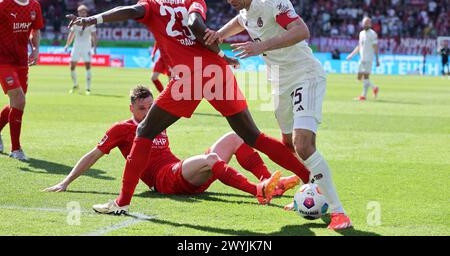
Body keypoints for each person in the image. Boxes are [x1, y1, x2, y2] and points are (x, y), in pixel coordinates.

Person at [67, 0, 311, 215]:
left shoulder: (152, 4)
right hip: (216, 72)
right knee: (252, 136)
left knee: (144, 131)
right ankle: (309, 177)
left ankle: (121, 202)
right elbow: (195, 23)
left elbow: (128, 10)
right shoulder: (193, 2)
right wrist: (220, 54)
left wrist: (93, 20)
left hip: (188, 77)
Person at [204, 0, 351, 230]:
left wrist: (260, 46)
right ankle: (310, 192)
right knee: (288, 144)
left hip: (304, 74)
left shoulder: (272, 1)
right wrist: (220, 35)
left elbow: (301, 31)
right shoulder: (246, 10)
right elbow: (241, 21)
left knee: (304, 144)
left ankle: (339, 212)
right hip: (279, 81)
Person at [44, 85, 300, 206]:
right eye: (142, 109)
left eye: (151, 107)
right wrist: (66, 182)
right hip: (164, 181)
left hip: (181, 172)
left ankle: (270, 183)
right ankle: (257, 190)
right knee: (211, 160)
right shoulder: (122, 129)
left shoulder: (157, 119)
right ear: (131, 108)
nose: (148, 113)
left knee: (234, 137)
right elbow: (94, 154)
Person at [0, 0, 44, 161]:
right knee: (19, 100)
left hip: (21, 61)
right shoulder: (3, 5)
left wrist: (36, 49)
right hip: (3, 61)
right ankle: (15, 149)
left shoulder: (35, 6)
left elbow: (36, 30)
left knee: (16, 103)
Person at [64, 4, 97, 95]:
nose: (82, 13)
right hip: (76, 47)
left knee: (87, 67)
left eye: (83, 12)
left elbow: (94, 36)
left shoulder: (91, 22)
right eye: (80, 12)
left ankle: (88, 88)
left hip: (86, 48)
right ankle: (75, 85)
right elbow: (71, 35)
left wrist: (94, 47)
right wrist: (67, 45)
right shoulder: (75, 22)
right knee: (72, 67)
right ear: (78, 12)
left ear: (86, 13)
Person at [346, 17, 380, 101]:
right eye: (364, 23)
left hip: (369, 58)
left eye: (367, 23)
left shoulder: (373, 34)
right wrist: (351, 55)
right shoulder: (361, 33)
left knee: (365, 76)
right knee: (359, 77)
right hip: (362, 58)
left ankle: (363, 96)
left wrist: (377, 59)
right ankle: (374, 87)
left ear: (370, 24)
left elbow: (375, 47)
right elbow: (359, 46)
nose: (365, 24)